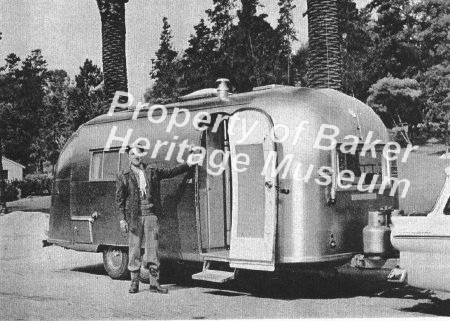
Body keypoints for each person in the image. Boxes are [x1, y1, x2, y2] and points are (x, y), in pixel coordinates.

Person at [116, 144, 193, 294]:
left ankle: (154, 283)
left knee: (153, 250)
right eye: (133, 155)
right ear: (129, 157)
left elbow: (171, 172)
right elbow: (119, 200)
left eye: (139, 154)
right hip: (134, 218)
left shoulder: (152, 171)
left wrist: (188, 164)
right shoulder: (124, 175)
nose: (137, 157)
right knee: (134, 251)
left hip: (151, 216)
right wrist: (122, 219)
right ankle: (134, 283)